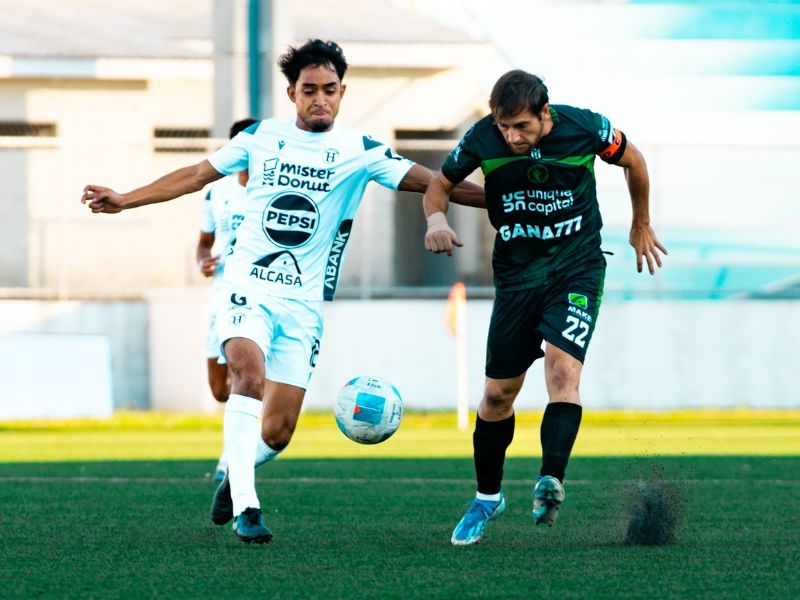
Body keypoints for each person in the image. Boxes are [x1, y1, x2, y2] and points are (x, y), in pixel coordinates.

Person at [82, 39, 484, 544]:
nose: (320, 99)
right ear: (291, 92)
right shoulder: (259, 136)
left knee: (277, 433)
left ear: (343, 93)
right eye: (309, 90)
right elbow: (193, 175)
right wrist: (126, 199)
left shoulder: (361, 152)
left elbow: (437, 182)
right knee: (245, 377)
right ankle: (247, 510)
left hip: (304, 304)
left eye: (330, 90)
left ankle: (237, 476)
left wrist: (504, 202)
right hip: (247, 285)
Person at [423, 69, 667, 546]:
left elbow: (633, 160)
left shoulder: (585, 127)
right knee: (497, 396)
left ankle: (550, 479)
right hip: (516, 278)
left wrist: (641, 222)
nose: (511, 136)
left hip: (576, 268)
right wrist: (434, 219)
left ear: (544, 113)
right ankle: (487, 498)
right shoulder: (482, 139)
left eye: (522, 126)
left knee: (562, 371)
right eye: (503, 126)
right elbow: (439, 185)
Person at [196, 117, 258, 481]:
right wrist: (203, 262)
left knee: (244, 379)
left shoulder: (273, 189)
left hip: (254, 295)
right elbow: (203, 244)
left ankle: (231, 459)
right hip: (221, 296)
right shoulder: (216, 192)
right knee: (220, 390)